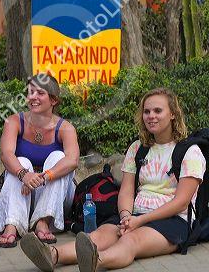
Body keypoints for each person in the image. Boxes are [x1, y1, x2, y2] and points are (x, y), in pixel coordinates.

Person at [20, 87, 206, 271]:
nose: (151, 116)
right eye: (146, 111)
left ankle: (96, 261)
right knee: (100, 234)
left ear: (173, 114)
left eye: (158, 111)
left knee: (130, 240)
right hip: (135, 214)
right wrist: (126, 216)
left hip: (174, 221)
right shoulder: (137, 148)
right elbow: (126, 190)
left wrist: (139, 221)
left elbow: (181, 202)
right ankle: (52, 255)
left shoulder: (190, 151)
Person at [0, 73, 79, 248]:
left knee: (59, 157)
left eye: (40, 93)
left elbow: (72, 161)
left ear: (53, 100)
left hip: (56, 199)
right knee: (21, 161)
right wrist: (24, 174)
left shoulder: (65, 128)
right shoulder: (14, 121)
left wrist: (44, 176)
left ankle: (43, 220)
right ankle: (12, 225)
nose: (33, 97)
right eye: (30, 92)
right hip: (23, 195)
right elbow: (6, 154)